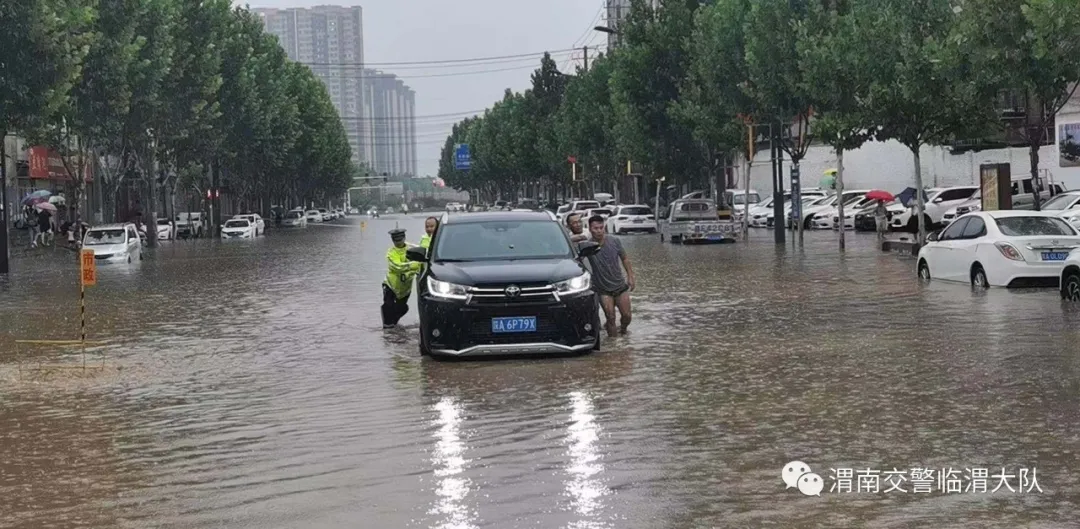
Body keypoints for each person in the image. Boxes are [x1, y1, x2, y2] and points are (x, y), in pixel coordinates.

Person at [585, 215, 636, 337]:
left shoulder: (614, 241)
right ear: (590, 229)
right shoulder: (587, 246)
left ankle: (623, 331)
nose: (599, 231)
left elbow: (625, 258)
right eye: (595, 228)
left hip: (619, 285)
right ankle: (614, 346)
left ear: (605, 227)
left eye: (601, 227)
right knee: (610, 317)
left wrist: (630, 276)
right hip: (602, 289)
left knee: (627, 316)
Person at [382, 228, 422, 328]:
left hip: (405, 288)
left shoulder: (412, 249)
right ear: (392, 241)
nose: (398, 242)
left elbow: (423, 259)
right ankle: (388, 328)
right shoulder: (391, 252)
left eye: (400, 239)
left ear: (404, 238)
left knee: (402, 308)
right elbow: (397, 266)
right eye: (396, 240)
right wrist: (414, 265)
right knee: (388, 307)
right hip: (391, 285)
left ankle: (394, 326)